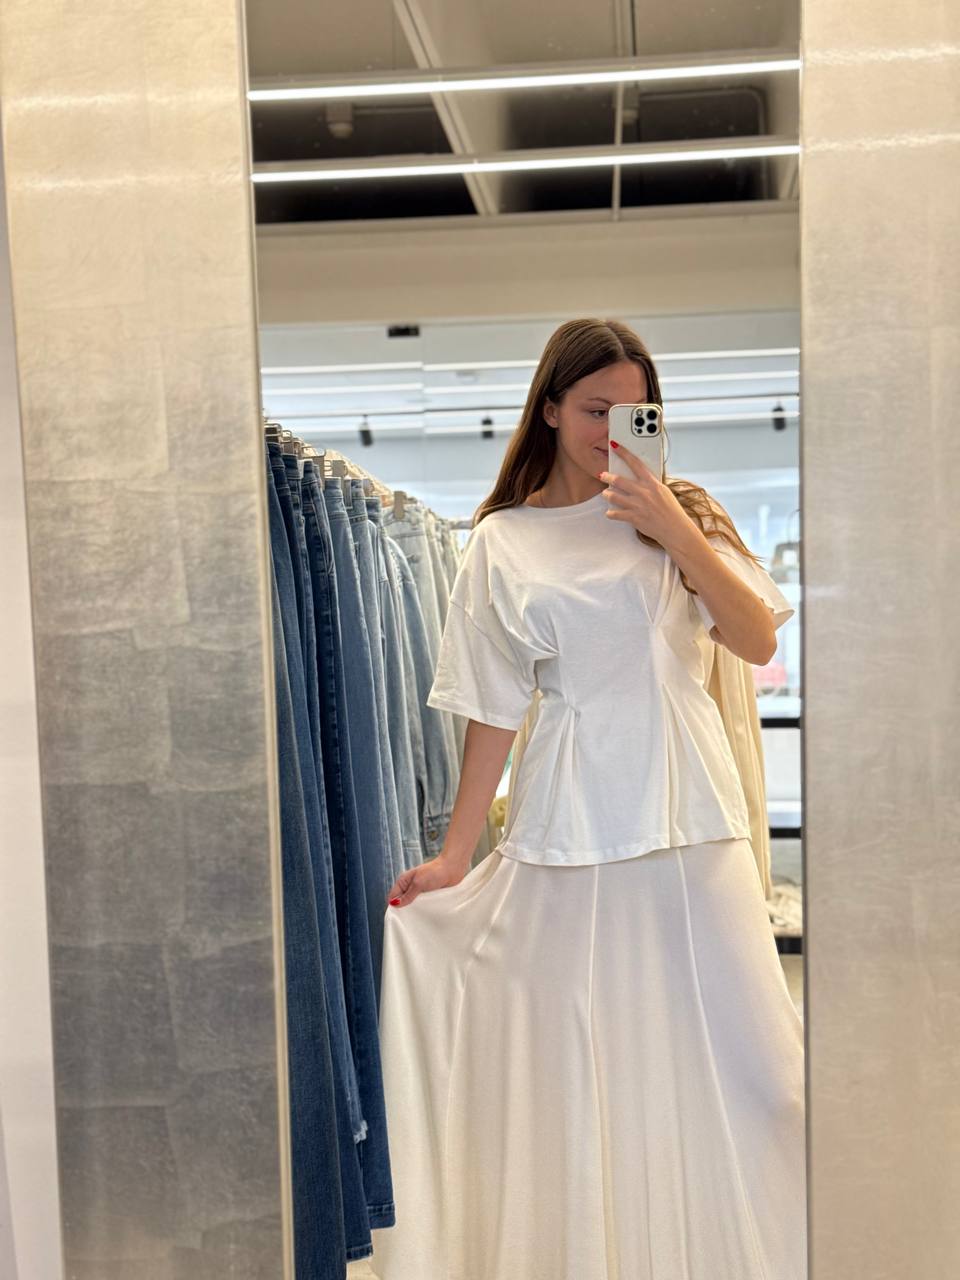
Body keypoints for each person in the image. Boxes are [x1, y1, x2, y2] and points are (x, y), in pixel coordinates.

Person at [368, 318, 806, 1280]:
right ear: (551, 409)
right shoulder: (503, 541)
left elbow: (755, 640)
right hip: (569, 821)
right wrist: (455, 856)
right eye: (595, 409)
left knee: (764, 1075)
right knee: (584, 1068)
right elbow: (491, 706)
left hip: (694, 819)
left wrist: (670, 526)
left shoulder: (686, 513)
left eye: (634, 411)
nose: (613, 430)